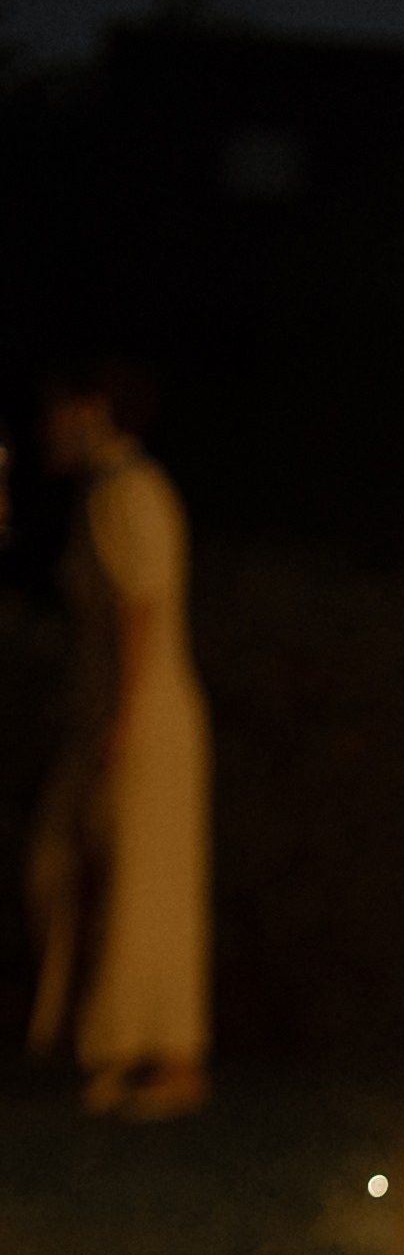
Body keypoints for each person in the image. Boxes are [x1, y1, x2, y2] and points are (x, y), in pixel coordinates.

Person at [26, 362, 211, 1115]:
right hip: (120, 715)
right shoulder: (109, 493)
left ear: (92, 410)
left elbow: (141, 607)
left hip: (142, 719)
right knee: (75, 868)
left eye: (57, 410)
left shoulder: (127, 493)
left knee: (142, 886)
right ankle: (105, 1044)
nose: (46, 428)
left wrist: (121, 723)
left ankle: (150, 1058)